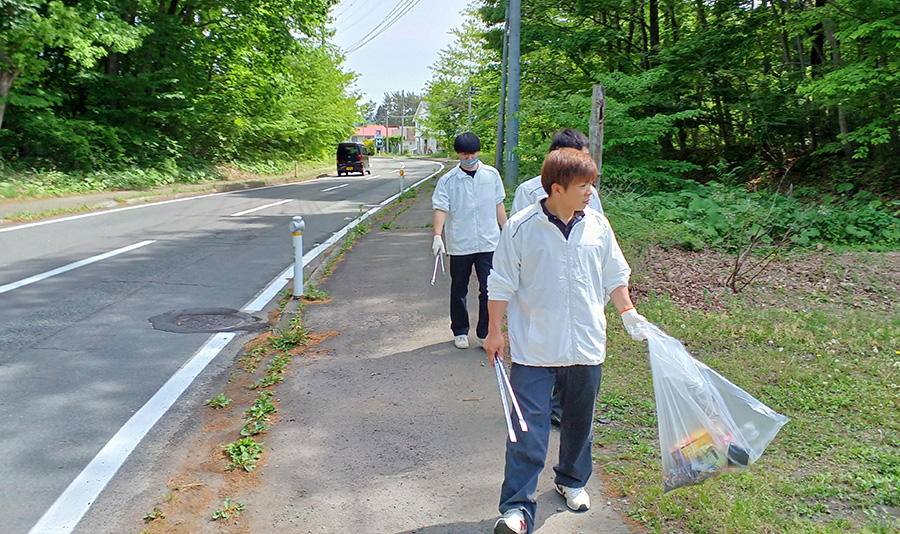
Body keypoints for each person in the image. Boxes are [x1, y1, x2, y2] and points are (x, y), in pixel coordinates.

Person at [484, 148, 648, 534]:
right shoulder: (522, 227)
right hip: (535, 347)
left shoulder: (598, 226)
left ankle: (572, 480)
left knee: (579, 422)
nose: (591, 191)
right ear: (557, 188)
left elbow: (615, 274)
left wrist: (629, 313)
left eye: (592, 184)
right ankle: (517, 510)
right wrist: (494, 331)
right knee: (527, 430)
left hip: (586, 344)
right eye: (583, 185)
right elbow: (501, 281)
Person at [509, 128, 603, 427]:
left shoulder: (588, 193)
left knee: (573, 352)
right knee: (543, 349)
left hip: (575, 285)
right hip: (541, 284)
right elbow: (519, 236)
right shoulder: (528, 191)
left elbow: (595, 230)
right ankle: (538, 407)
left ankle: (560, 408)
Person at [432, 132, 508, 349]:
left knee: (489, 288)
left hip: (489, 242)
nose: (469, 158)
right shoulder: (448, 181)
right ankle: (460, 331)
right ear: (458, 154)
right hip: (460, 243)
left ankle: (485, 331)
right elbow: (441, 208)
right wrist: (438, 235)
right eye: (464, 155)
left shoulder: (491, 175)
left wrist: (509, 230)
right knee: (459, 288)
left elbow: (498, 205)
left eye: (472, 154)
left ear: (478, 152)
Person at [509, 128, 603, 216]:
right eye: (578, 156)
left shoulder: (590, 192)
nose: (584, 160)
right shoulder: (528, 190)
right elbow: (519, 228)